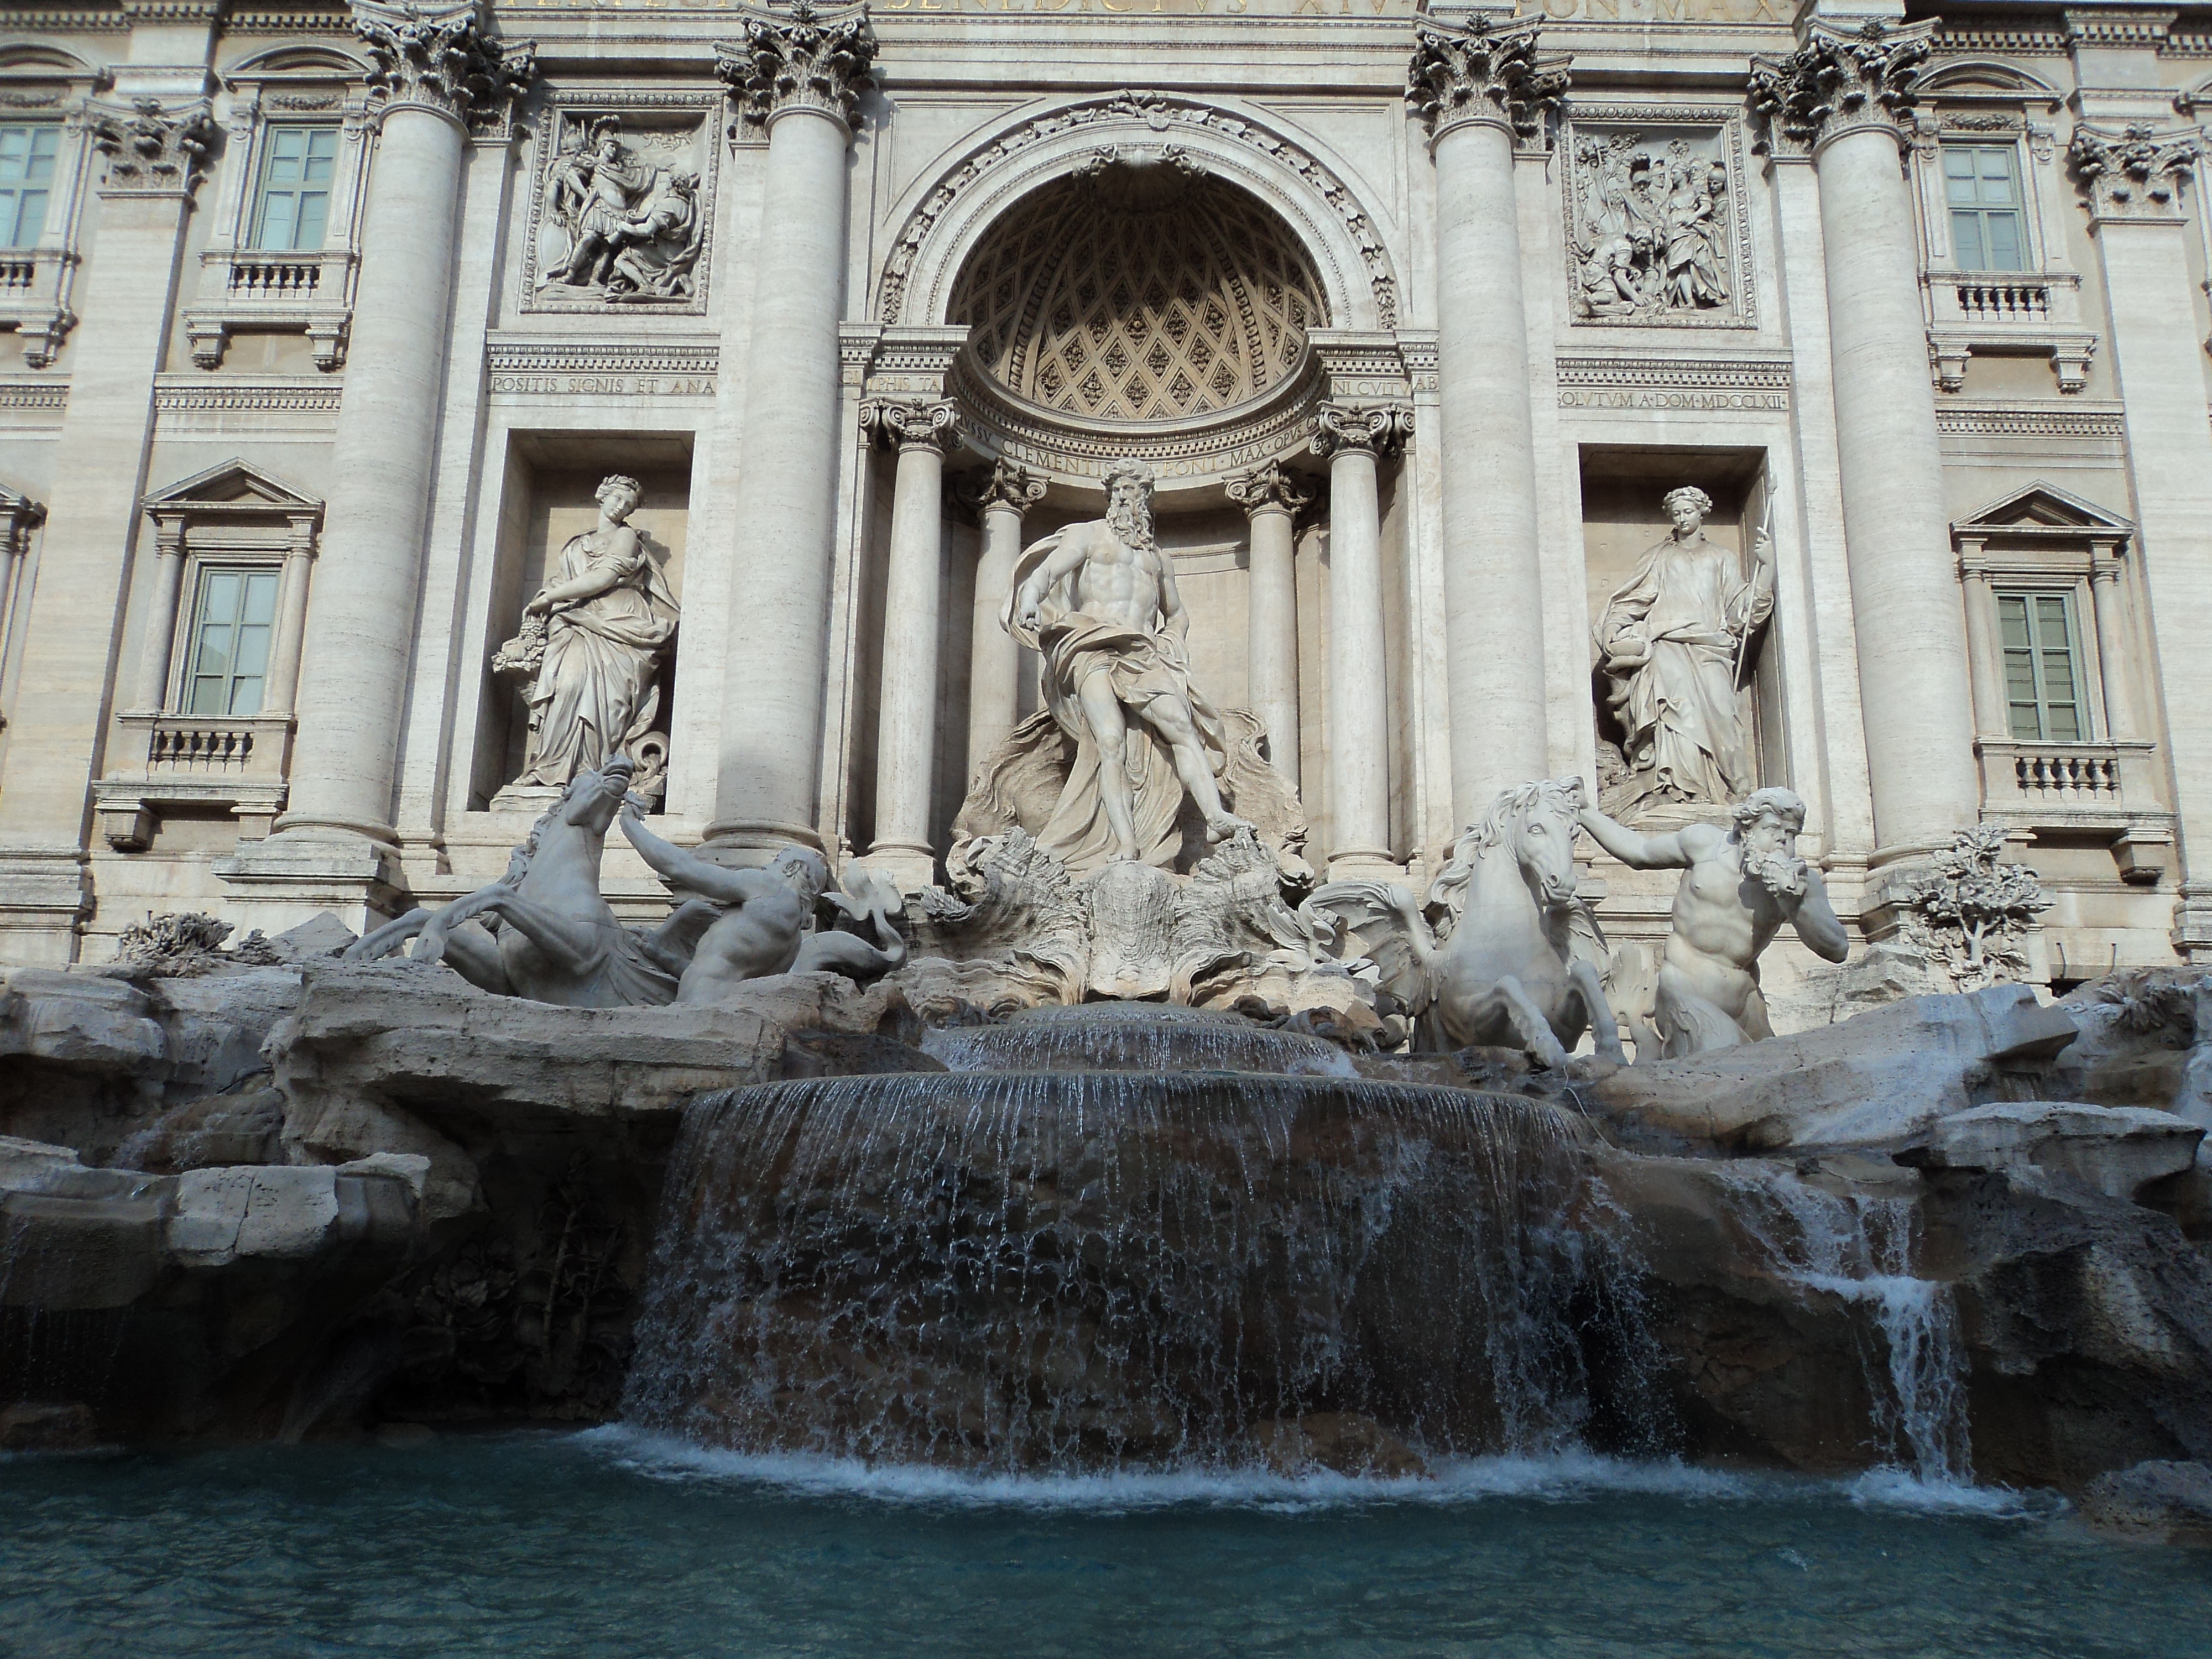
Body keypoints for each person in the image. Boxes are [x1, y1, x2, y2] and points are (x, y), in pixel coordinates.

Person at [1006, 460, 1251, 870]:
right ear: (1110, 495)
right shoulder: (1088, 536)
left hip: (1143, 652)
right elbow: (1047, 571)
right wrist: (1030, 598)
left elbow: (1177, 614)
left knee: (1183, 727)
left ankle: (1215, 818)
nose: (1128, 498)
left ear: (1147, 501)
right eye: (1121, 490)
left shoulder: (1158, 559)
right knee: (1111, 742)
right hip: (1092, 645)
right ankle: (1125, 844)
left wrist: (1173, 645)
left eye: (1137, 492)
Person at [1577, 786, 1848, 1056]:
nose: (1782, 841)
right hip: (1685, 990)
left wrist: (1794, 904)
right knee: (1724, 1062)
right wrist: (1585, 811)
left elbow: (1837, 949)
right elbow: (1640, 852)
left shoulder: (1802, 882)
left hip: (1746, 1003)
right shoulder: (1705, 845)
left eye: (1790, 834)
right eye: (1772, 829)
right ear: (1747, 830)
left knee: (1780, 1075)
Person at [1592, 484, 1771, 816]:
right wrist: (1614, 627)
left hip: (1710, 649)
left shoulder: (1722, 558)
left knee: (1723, 717)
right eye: (1676, 513)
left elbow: (1741, 615)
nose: (1682, 518)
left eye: (1688, 511)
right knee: (1675, 715)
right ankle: (1676, 789)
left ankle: (1730, 790)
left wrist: (1767, 569)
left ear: (1703, 512)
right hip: (1666, 647)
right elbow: (1633, 600)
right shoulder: (1659, 557)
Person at [514, 474, 679, 789]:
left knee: (610, 701)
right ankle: (553, 767)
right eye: (617, 499)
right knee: (568, 685)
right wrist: (549, 601)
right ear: (602, 495)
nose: (621, 508)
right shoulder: (577, 544)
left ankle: (597, 769)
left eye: (629, 505)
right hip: (577, 622)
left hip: (619, 623)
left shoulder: (626, 538)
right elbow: (565, 580)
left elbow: (604, 577)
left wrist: (551, 597)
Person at [617, 803, 830, 1005]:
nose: (766, 866)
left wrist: (629, 824)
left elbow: (681, 867)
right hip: (714, 1011)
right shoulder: (793, 942)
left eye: (776, 862)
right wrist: (660, 955)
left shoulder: (768, 888)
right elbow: (713, 976)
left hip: (699, 1010)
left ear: (792, 868)